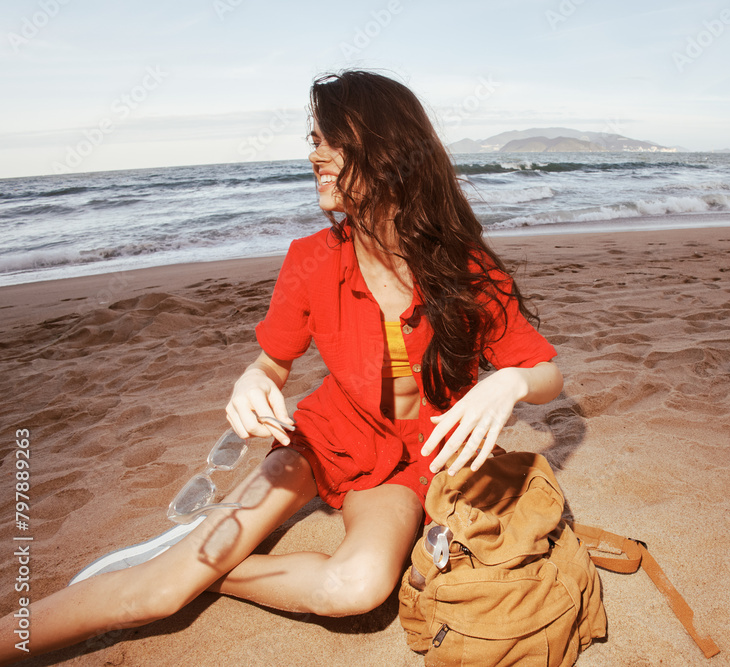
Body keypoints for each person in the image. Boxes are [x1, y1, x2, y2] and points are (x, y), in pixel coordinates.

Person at [0, 70, 562, 664]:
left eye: (329, 140)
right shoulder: (312, 261)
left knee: (359, 587)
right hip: (323, 440)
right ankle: (163, 570)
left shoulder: (465, 269)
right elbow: (271, 364)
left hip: (414, 467)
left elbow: (545, 373)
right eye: (312, 140)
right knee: (160, 594)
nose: (314, 155)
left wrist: (511, 381)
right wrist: (253, 380)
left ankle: (205, 564)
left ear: (387, 149)